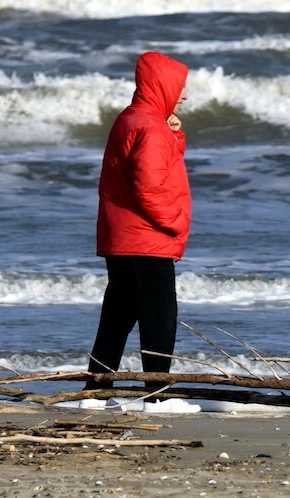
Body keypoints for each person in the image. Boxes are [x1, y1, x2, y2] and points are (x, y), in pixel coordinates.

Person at [87, 51, 191, 387]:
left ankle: (97, 387)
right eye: (181, 88)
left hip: (123, 238)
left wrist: (173, 133)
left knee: (117, 318)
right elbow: (148, 186)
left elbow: (155, 167)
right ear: (163, 86)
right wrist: (174, 222)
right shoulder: (149, 126)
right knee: (159, 320)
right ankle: (157, 394)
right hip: (148, 240)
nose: (185, 95)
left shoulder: (131, 118)